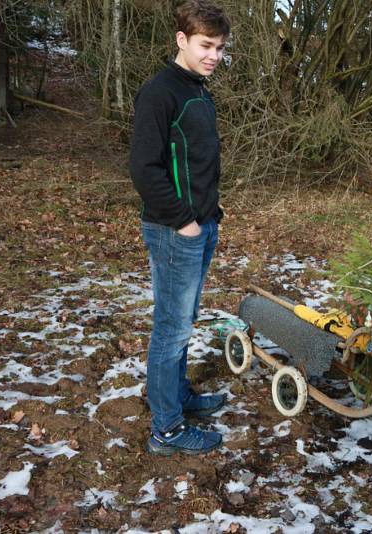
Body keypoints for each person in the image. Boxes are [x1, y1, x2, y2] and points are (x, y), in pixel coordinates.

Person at [130, 0, 230, 456]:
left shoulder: (199, 90)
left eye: (221, 47)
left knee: (183, 323)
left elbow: (194, 161)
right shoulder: (161, 92)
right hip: (176, 232)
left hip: (201, 225)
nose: (214, 55)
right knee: (170, 329)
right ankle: (166, 429)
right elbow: (144, 170)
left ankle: (178, 396)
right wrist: (185, 221)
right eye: (206, 45)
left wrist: (210, 213)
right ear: (182, 40)